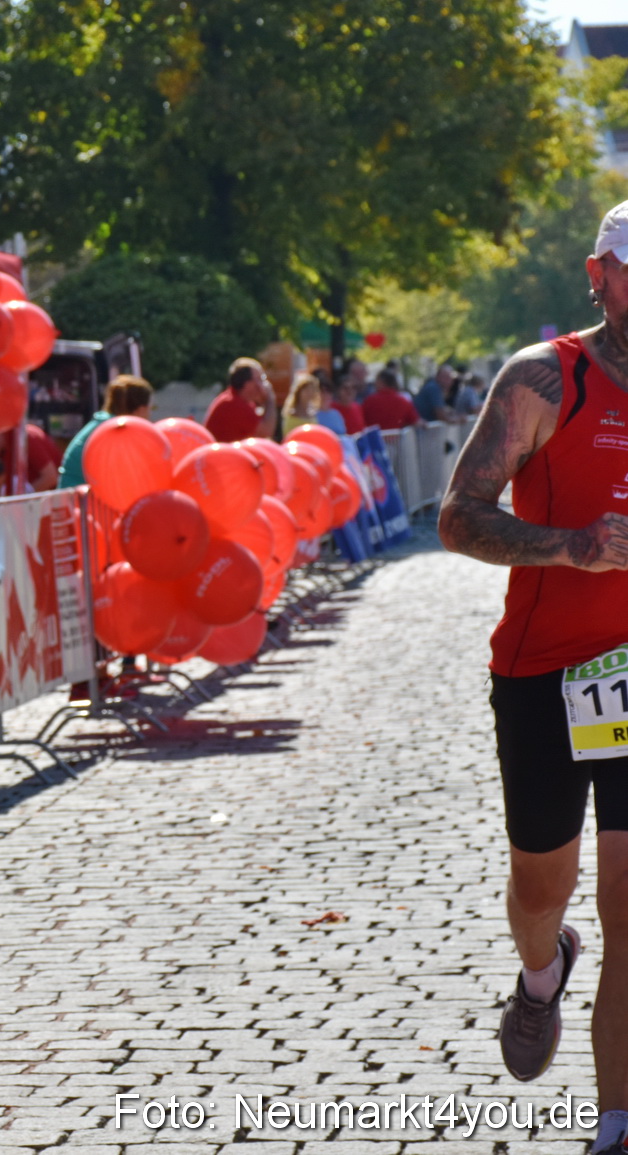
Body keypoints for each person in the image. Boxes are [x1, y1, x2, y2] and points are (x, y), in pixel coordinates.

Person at [437, 197, 628, 1153]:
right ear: (599, 275)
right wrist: (572, 548)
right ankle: (542, 968)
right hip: (547, 675)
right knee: (540, 887)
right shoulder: (547, 379)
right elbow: (458, 515)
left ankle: (616, 1120)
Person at [59, 374, 153, 488]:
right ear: (140, 410)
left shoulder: (103, 424)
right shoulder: (115, 430)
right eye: (150, 408)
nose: (150, 414)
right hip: (81, 502)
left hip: (73, 499)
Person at [204, 357, 278, 442]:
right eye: (259, 379)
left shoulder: (237, 400)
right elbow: (266, 432)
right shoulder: (233, 404)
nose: (263, 385)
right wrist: (270, 399)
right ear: (247, 383)